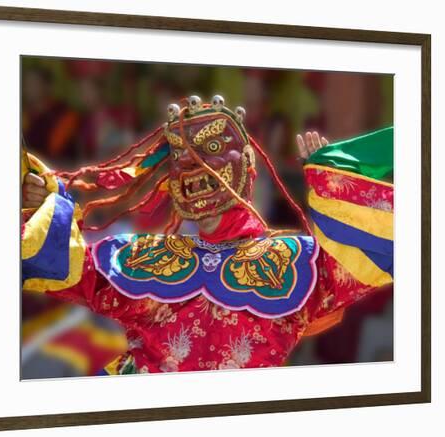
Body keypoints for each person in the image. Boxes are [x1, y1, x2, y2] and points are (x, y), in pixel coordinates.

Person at [21, 95, 393, 374]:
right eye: (181, 154)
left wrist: (332, 180)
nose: (192, 164)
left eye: (213, 148)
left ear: (247, 164)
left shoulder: (298, 260)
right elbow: (65, 267)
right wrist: (49, 203)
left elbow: (364, 258)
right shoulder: (142, 254)